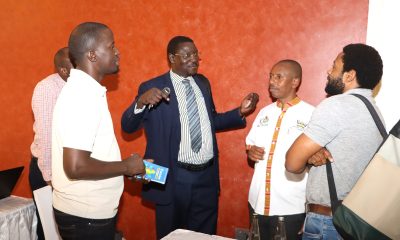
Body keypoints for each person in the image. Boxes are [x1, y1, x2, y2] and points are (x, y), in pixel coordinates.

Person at [121, 35, 259, 239]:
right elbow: (128, 126)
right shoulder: (152, 86)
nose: (193, 58)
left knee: (204, 235)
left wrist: (240, 112)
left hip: (207, 177)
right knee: (172, 235)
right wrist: (140, 103)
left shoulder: (202, 83)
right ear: (171, 58)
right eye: (187, 54)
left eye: (196, 54)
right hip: (172, 177)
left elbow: (210, 121)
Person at [51, 22, 146, 240]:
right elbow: (75, 166)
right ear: (92, 55)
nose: (117, 52)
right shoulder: (82, 96)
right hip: (85, 217)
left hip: (87, 213)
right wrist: (126, 166)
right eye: (112, 46)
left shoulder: (88, 91)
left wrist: (126, 168)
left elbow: (90, 155)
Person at [285, 43, 384, 239]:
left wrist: (306, 158)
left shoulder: (336, 105)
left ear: (349, 75)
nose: (328, 71)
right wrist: (313, 155)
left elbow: (291, 162)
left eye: (335, 66)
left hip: (329, 224)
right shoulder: (374, 111)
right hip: (354, 223)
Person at [246, 60, 314, 240]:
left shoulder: (311, 114)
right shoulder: (264, 112)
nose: (272, 82)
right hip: (257, 201)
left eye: (279, 77)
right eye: (270, 76)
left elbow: (318, 160)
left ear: (295, 82)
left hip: (291, 207)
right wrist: (251, 152)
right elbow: (250, 144)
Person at [29, 47, 72, 240]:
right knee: (50, 231)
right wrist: (49, 178)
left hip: (70, 167)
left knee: (68, 229)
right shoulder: (47, 88)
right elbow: (45, 136)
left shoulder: (82, 87)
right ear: (63, 70)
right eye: (76, 63)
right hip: (49, 169)